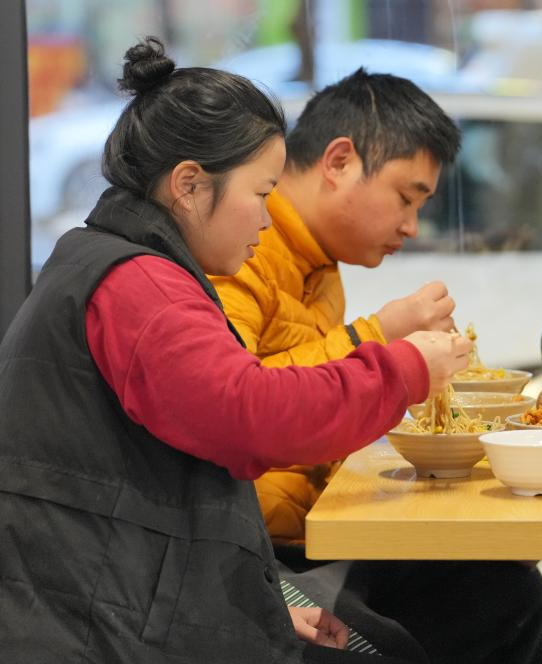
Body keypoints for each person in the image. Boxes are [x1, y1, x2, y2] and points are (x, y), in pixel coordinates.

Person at [0, 37, 470, 664]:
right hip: (94, 619)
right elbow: (252, 415)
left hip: (126, 590)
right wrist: (404, 364)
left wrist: (266, 603)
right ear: (190, 186)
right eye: (260, 193)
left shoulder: (124, 264)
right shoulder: (137, 286)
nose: (268, 219)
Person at [210, 68, 542, 664]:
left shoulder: (320, 265)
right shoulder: (236, 250)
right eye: (405, 197)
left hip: (311, 532)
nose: (412, 226)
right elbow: (242, 404)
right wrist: (380, 337)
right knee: (383, 649)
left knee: (508, 592)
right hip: (250, 551)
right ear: (337, 161)